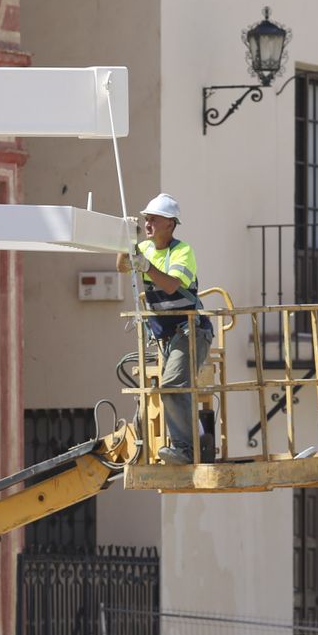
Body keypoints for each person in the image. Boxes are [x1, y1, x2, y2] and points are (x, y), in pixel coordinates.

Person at [116, 193, 211, 464]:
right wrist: (127, 241)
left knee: (172, 386)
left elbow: (171, 285)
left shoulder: (182, 251)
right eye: (146, 220)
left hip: (189, 330)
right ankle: (182, 444)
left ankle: (185, 450)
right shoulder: (144, 248)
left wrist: (147, 266)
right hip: (167, 337)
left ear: (170, 224)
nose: (148, 224)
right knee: (165, 389)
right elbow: (122, 266)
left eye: (153, 220)